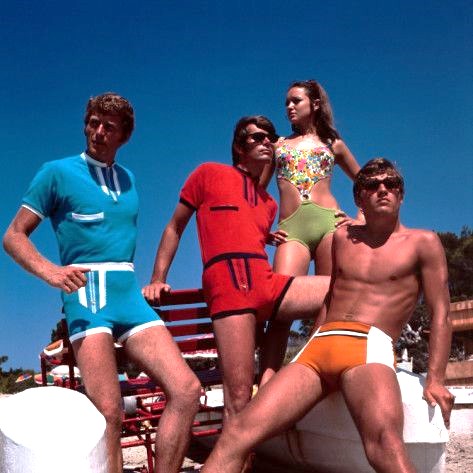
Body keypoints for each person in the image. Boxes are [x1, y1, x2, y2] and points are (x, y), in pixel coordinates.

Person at [201, 158, 454, 473]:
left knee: (384, 447)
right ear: (359, 198)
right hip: (319, 347)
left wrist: (436, 379)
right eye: (372, 185)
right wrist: (306, 350)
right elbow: (331, 296)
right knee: (238, 432)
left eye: (392, 184)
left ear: (401, 195)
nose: (383, 190)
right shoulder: (341, 239)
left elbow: (440, 313)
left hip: (367, 346)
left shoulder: (423, 243)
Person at [3, 93, 201, 473]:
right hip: (87, 297)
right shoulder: (56, 172)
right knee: (109, 410)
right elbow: (13, 236)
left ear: (123, 135)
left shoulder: (128, 180)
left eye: (108, 126)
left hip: (128, 293)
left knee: (187, 390)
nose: (97, 131)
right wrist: (52, 272)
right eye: (93, 122)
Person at [142, 115, 330, 424]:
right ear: (239, 146)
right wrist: (157, 278)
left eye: (269, 137)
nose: (265, 141)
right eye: (256, 137)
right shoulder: (208, 173)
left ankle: (309, 371)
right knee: (239, 399)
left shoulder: (267, 202)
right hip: (229, 284)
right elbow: (175, 227)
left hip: (264, 280)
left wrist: (264, 236)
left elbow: (241, 222)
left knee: (340, 288)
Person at [260, 80, 363, 385]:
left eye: (296, 101)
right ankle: (266, 384)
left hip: (330, 226)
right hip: (291, 230)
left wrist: (358, 218)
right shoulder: (277, 145)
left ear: (315, 104)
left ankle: (316, 375)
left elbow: (364, 181)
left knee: (331, 304)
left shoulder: (334, 145)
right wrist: (261, 230)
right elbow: (255, 193)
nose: (289, 107)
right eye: (286, 103)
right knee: (280, 309)